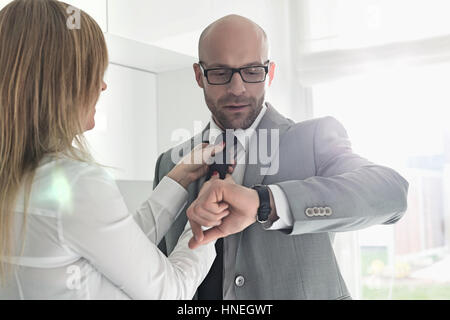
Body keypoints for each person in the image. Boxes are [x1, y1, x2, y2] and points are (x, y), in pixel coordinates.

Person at [153, 14, 410, 300]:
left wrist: (264, 202)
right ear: (199, 75)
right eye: (220, 72)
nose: (237, 88)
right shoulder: (170, 164)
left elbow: (391, 193)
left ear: (270, 73)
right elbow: (157, 276)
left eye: (252, 71)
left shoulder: (313, 139)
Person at [0, 0, 230, 300]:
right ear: (60, 84)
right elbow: (170, 292)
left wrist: (176, 181)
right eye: (93, 71)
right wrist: (203, 225)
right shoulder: (75, 184)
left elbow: (112, 245)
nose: (102, 85)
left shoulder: (22, 177)